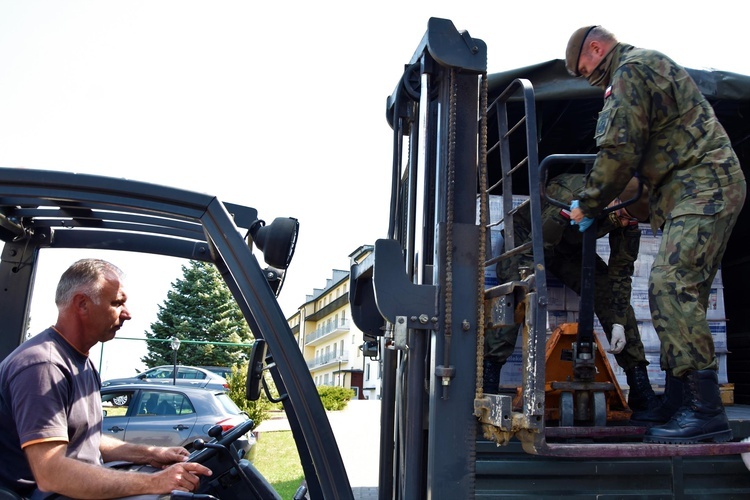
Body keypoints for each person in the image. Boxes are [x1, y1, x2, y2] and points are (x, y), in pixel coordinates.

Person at [564, 26, 746, 443]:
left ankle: (706, 412)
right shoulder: (637, 69)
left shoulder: (631, 70)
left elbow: (619, 150)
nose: (586, 76)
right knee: (681, 293)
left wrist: (588, 204)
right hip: (694, 188)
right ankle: (680, 400)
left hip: (704, 185)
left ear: (596, 47)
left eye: (585, 67)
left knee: (671, 285)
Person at [0, 258, 212, 498]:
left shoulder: (82, 362)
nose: (127, 314)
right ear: (82, 304)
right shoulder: (44, 366)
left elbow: (84, 440)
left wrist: (151, 454)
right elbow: (51, 473)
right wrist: (153, 482)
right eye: (116, 303)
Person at [484, 173, 660, 420]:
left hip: (568, 248)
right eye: (620, 216)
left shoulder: (626, 217)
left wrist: (618, 320)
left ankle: (641, 387)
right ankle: (489, 378)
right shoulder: (571, 196)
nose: (622, 222)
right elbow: (539, 243)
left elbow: (621, 273)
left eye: (628, 220)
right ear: (612, 198)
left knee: (610, 295)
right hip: (528, 239)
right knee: (516, 294)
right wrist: (529, 278)